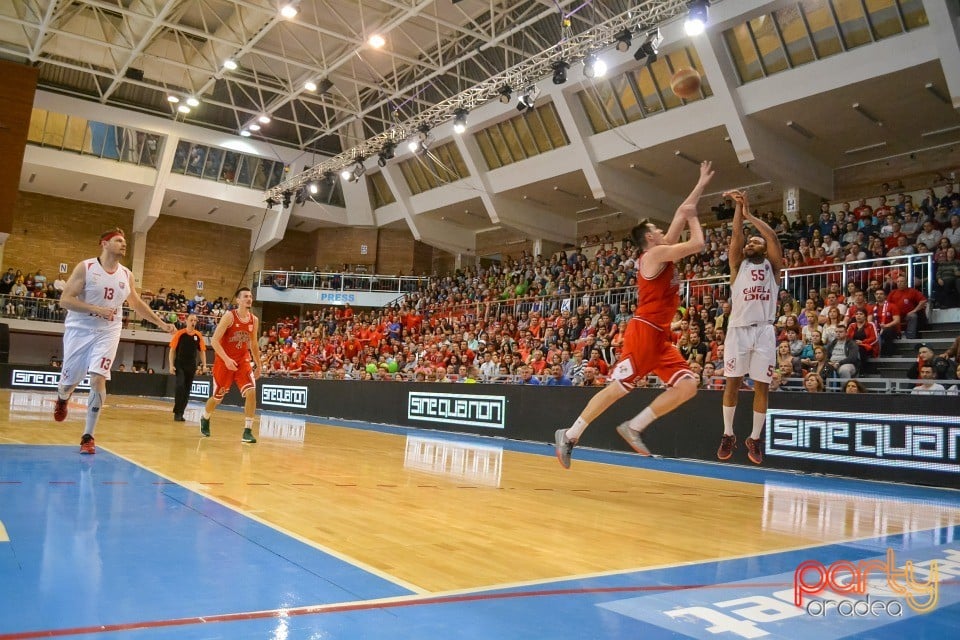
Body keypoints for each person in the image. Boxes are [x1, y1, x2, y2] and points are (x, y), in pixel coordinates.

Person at [554, 160, 714, 468]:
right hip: (644, 331)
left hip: (660, 336)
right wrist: (694, 218)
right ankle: (570, 434)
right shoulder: (654, 255)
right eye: (656, 229)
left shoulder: (661, 248)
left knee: (688, 385)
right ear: (650, 238)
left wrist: (701, 184)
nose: (661, 230)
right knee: (618, 389)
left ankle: (635, 426)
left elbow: (682, 210)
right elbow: (698, 242)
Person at [53, 228, 175, 454]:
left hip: (108, 330)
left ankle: (88, 436)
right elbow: (65, 300)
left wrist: (161, 323)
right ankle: (62, 397)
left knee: (99, 378)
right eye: (118, 240)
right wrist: (96, 309)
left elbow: (137, 304)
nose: (123, 244)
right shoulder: (86, 267)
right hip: (80, 329)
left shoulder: (126, 274)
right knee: (69, 381)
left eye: (124, 241)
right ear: (104, 243)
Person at [717, 189, 783, 465]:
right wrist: (738, 210)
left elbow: (773, 238)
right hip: (739, 330)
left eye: (754, 242)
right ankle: (728, 433)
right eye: (748, 243)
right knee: (732, 383)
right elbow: (736, 237)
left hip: (765, 330)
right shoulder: (737, 266)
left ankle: (754, 438)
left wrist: (750, 215)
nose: (748, 245)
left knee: (762, 387)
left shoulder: (773, 267)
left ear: (763, 248)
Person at [200, 287, 263, 443]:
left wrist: (259, 365)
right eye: (245, 296)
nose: (249, 298)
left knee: (251, 392)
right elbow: (214, 341)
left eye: (250, 296)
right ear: (238, 300)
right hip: (224, 361)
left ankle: (247, 431)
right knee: (217, 398)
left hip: (243, 360)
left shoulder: (254, 320)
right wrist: (227, 359)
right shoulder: (229, 316)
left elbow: (254, 344)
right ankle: (205, 417)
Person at [168, 313, 208, 421]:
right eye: (191, 320)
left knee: (186, 390)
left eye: (195, 320)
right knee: (180, 386)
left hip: (191, 365)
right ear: (186, 321)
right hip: (180, 363)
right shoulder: (180, 334)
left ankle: (181, 413)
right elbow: (172, 350)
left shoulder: (198, 335)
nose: (193, 322)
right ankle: (177, 411)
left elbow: (202, 351)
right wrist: (171, 365)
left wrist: (204, 365)